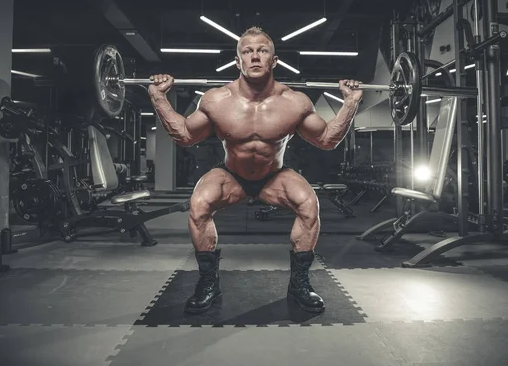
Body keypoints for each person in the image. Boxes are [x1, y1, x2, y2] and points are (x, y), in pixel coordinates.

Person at [148, 26, 363, 315]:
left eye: (262, 50)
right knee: (199, 204)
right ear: (238, 62)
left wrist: (350, 103)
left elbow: (326, 140)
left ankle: (299, 283)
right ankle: (208, 282)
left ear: (274, 61)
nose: (255, 57)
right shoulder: (216, 100)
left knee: (309, 204)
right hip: (231, 175)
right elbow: (185, 136)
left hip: (273, 175)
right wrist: (159, 98)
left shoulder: (294, 102)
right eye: (247, 51)